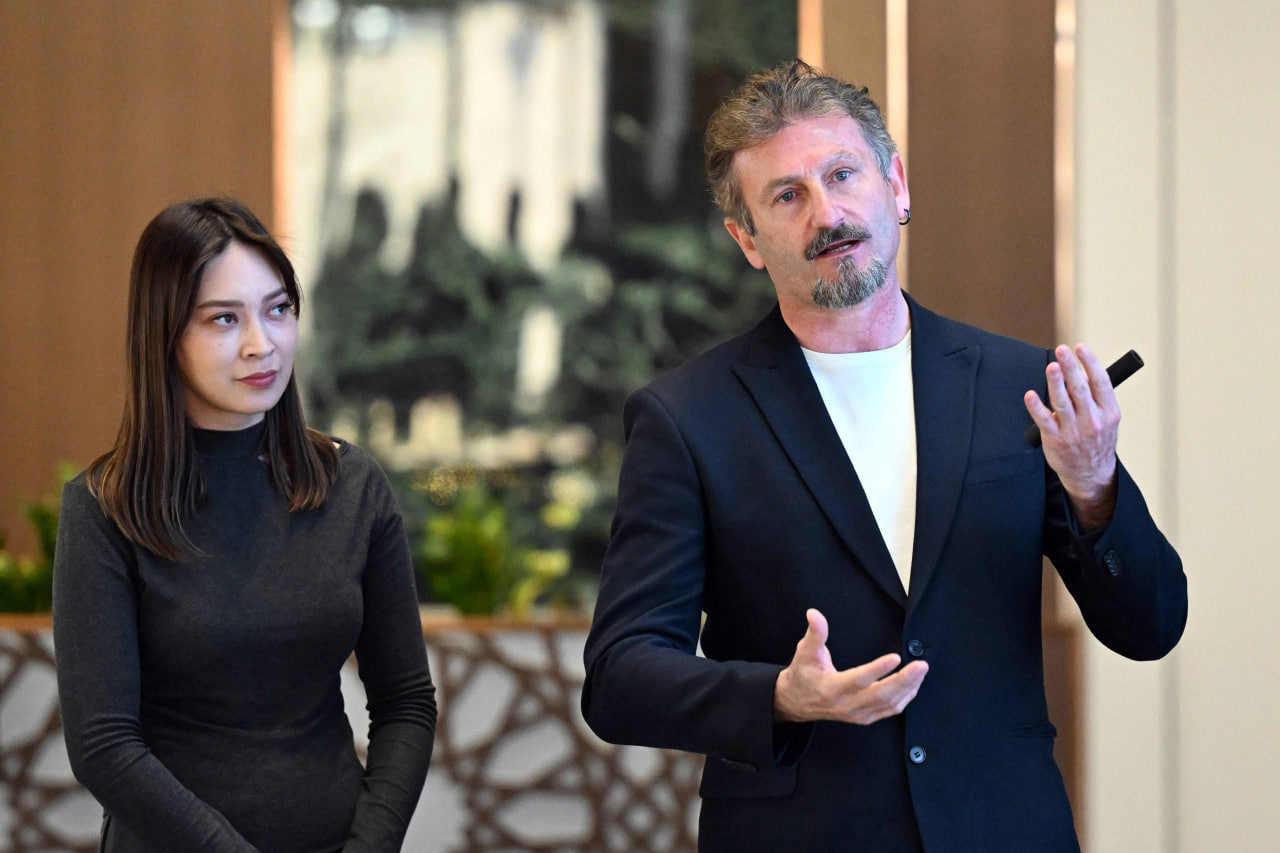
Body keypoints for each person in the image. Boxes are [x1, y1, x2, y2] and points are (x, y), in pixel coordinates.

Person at [581, 60, 1186, 852]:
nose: (827, 213)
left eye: (842, 174)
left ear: (895, 184)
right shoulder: (687, 417)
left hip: (1003, 829)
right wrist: (780, 695)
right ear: (746, 239)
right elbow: (620, 676)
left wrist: (1094, 483)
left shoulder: (1019, 387)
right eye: (787, 195)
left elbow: (1152, 625)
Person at [52, 198, 436, 852]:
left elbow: (406, 702)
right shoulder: (105, 507)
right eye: (224, 318)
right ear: (165, 334)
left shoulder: (352, 485)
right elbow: (104, 745)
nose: (262, 343)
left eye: (278, 309)